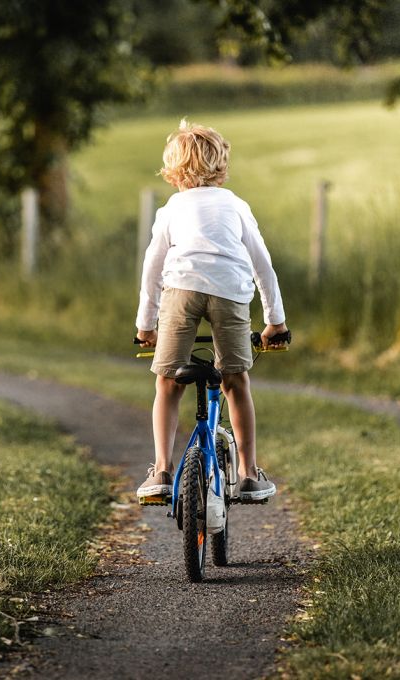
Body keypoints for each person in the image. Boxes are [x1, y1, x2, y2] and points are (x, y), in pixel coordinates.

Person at [135, 119, 288, 502]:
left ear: (173, 170)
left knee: (168, 382)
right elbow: (262, 265)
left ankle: (161, 471)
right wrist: (275, 322)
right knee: (236, 381)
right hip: (229, 292)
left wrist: (146, 326)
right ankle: (249, 473)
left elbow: (153, 267)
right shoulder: (235, 204)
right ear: (221, 165)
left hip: (182, 290)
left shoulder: (172, 207)